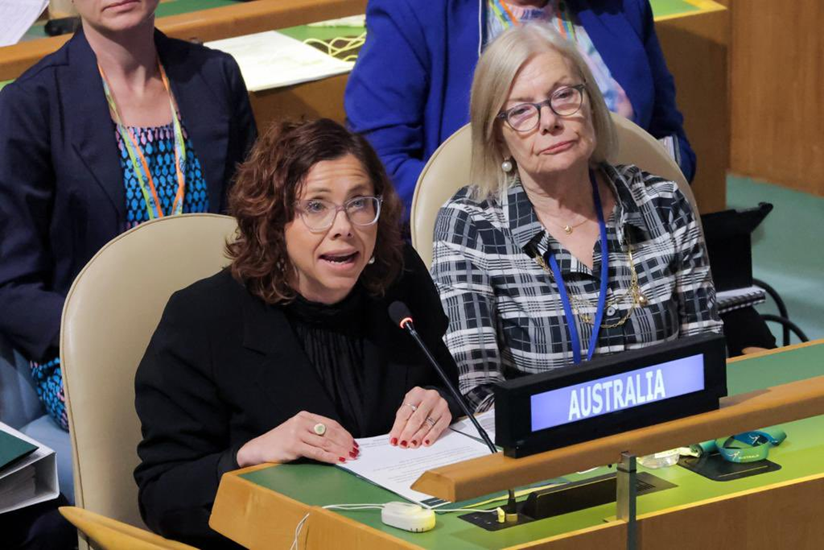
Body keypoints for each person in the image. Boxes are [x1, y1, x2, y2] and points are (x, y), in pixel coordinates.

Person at [134, 119, 460, 548]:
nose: (344, 226)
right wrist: (247, 456)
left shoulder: (399, 280)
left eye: (360, 203)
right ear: (273, 219)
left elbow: (442, 380)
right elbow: (161, 495)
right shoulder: (203, 320)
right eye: (317, 206)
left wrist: (440, 402)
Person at [430, 23, 722, 412]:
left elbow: (706, 353)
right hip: (543, 460)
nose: (549, 121)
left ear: (590, 105)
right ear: (498, 137)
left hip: (669, 439)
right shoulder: (470, 227)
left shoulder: (662, 203)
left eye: (563, 95)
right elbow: (477, 391)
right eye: (521, 111)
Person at [0, 0, 256, 434]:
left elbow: (257, 225)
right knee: (189, 423)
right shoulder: (28, 104)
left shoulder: (216, 75)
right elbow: (9, 284)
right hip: (94, 352)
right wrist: (107, 334)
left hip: (218, 332)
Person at [345, 0, 695, 218]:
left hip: (629, 227)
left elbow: (668, 141)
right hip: (482, 251)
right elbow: (377, 167)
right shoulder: (413, 11)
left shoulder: (621, 5)